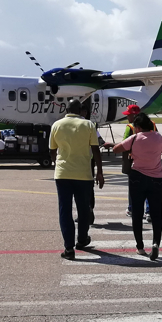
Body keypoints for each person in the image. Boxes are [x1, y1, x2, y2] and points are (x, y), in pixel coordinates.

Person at [107, 112, 162, 260]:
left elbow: (117, 149)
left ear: (138, 127)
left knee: (137, 213)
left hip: (137, 178)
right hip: (157, 179)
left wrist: (116, 145)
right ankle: (156, 244)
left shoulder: (134, 138)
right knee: (156, 213)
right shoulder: (158, 137)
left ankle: (140, 247)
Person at [50, 99, 104, 260]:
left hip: (63, 174)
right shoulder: (88, 125)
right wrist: (100, 172)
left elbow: (52, 151)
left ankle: (69, 248)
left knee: (64, 210)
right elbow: (96, 150)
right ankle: (82, 239)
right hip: (83, 174)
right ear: (80, 110)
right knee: (83, 209)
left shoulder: (56, 125)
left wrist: (58, 163)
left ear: (66, 110)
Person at [122, 104, 157, 221]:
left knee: (134, 187)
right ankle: (149, 212)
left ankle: (132, 209)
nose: (127, 118)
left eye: (128, 115)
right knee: (149, 188)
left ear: (134, 115)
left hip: (135, 162)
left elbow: (124, 145)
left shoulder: (130, 127)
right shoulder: (152, 124)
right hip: (152, 162)